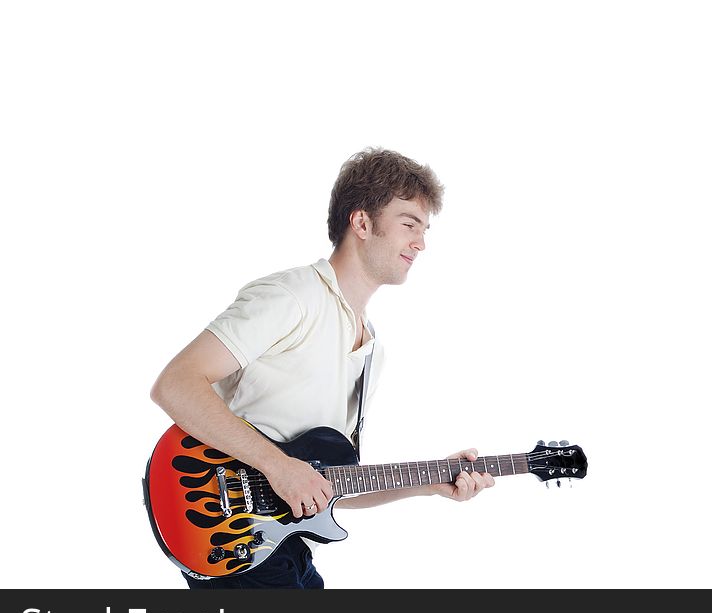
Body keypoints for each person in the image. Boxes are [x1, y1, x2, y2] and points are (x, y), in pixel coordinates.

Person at [149, 147, 495, 589]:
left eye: (425, 230)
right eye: (409, 224)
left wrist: (430, 481)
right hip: (224, 532)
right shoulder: (291, 298)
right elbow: (175, 385)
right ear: (363, 223)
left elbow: (327, 487)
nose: (421, 243)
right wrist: (280, 468)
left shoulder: (370, 348)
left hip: (284, 546)